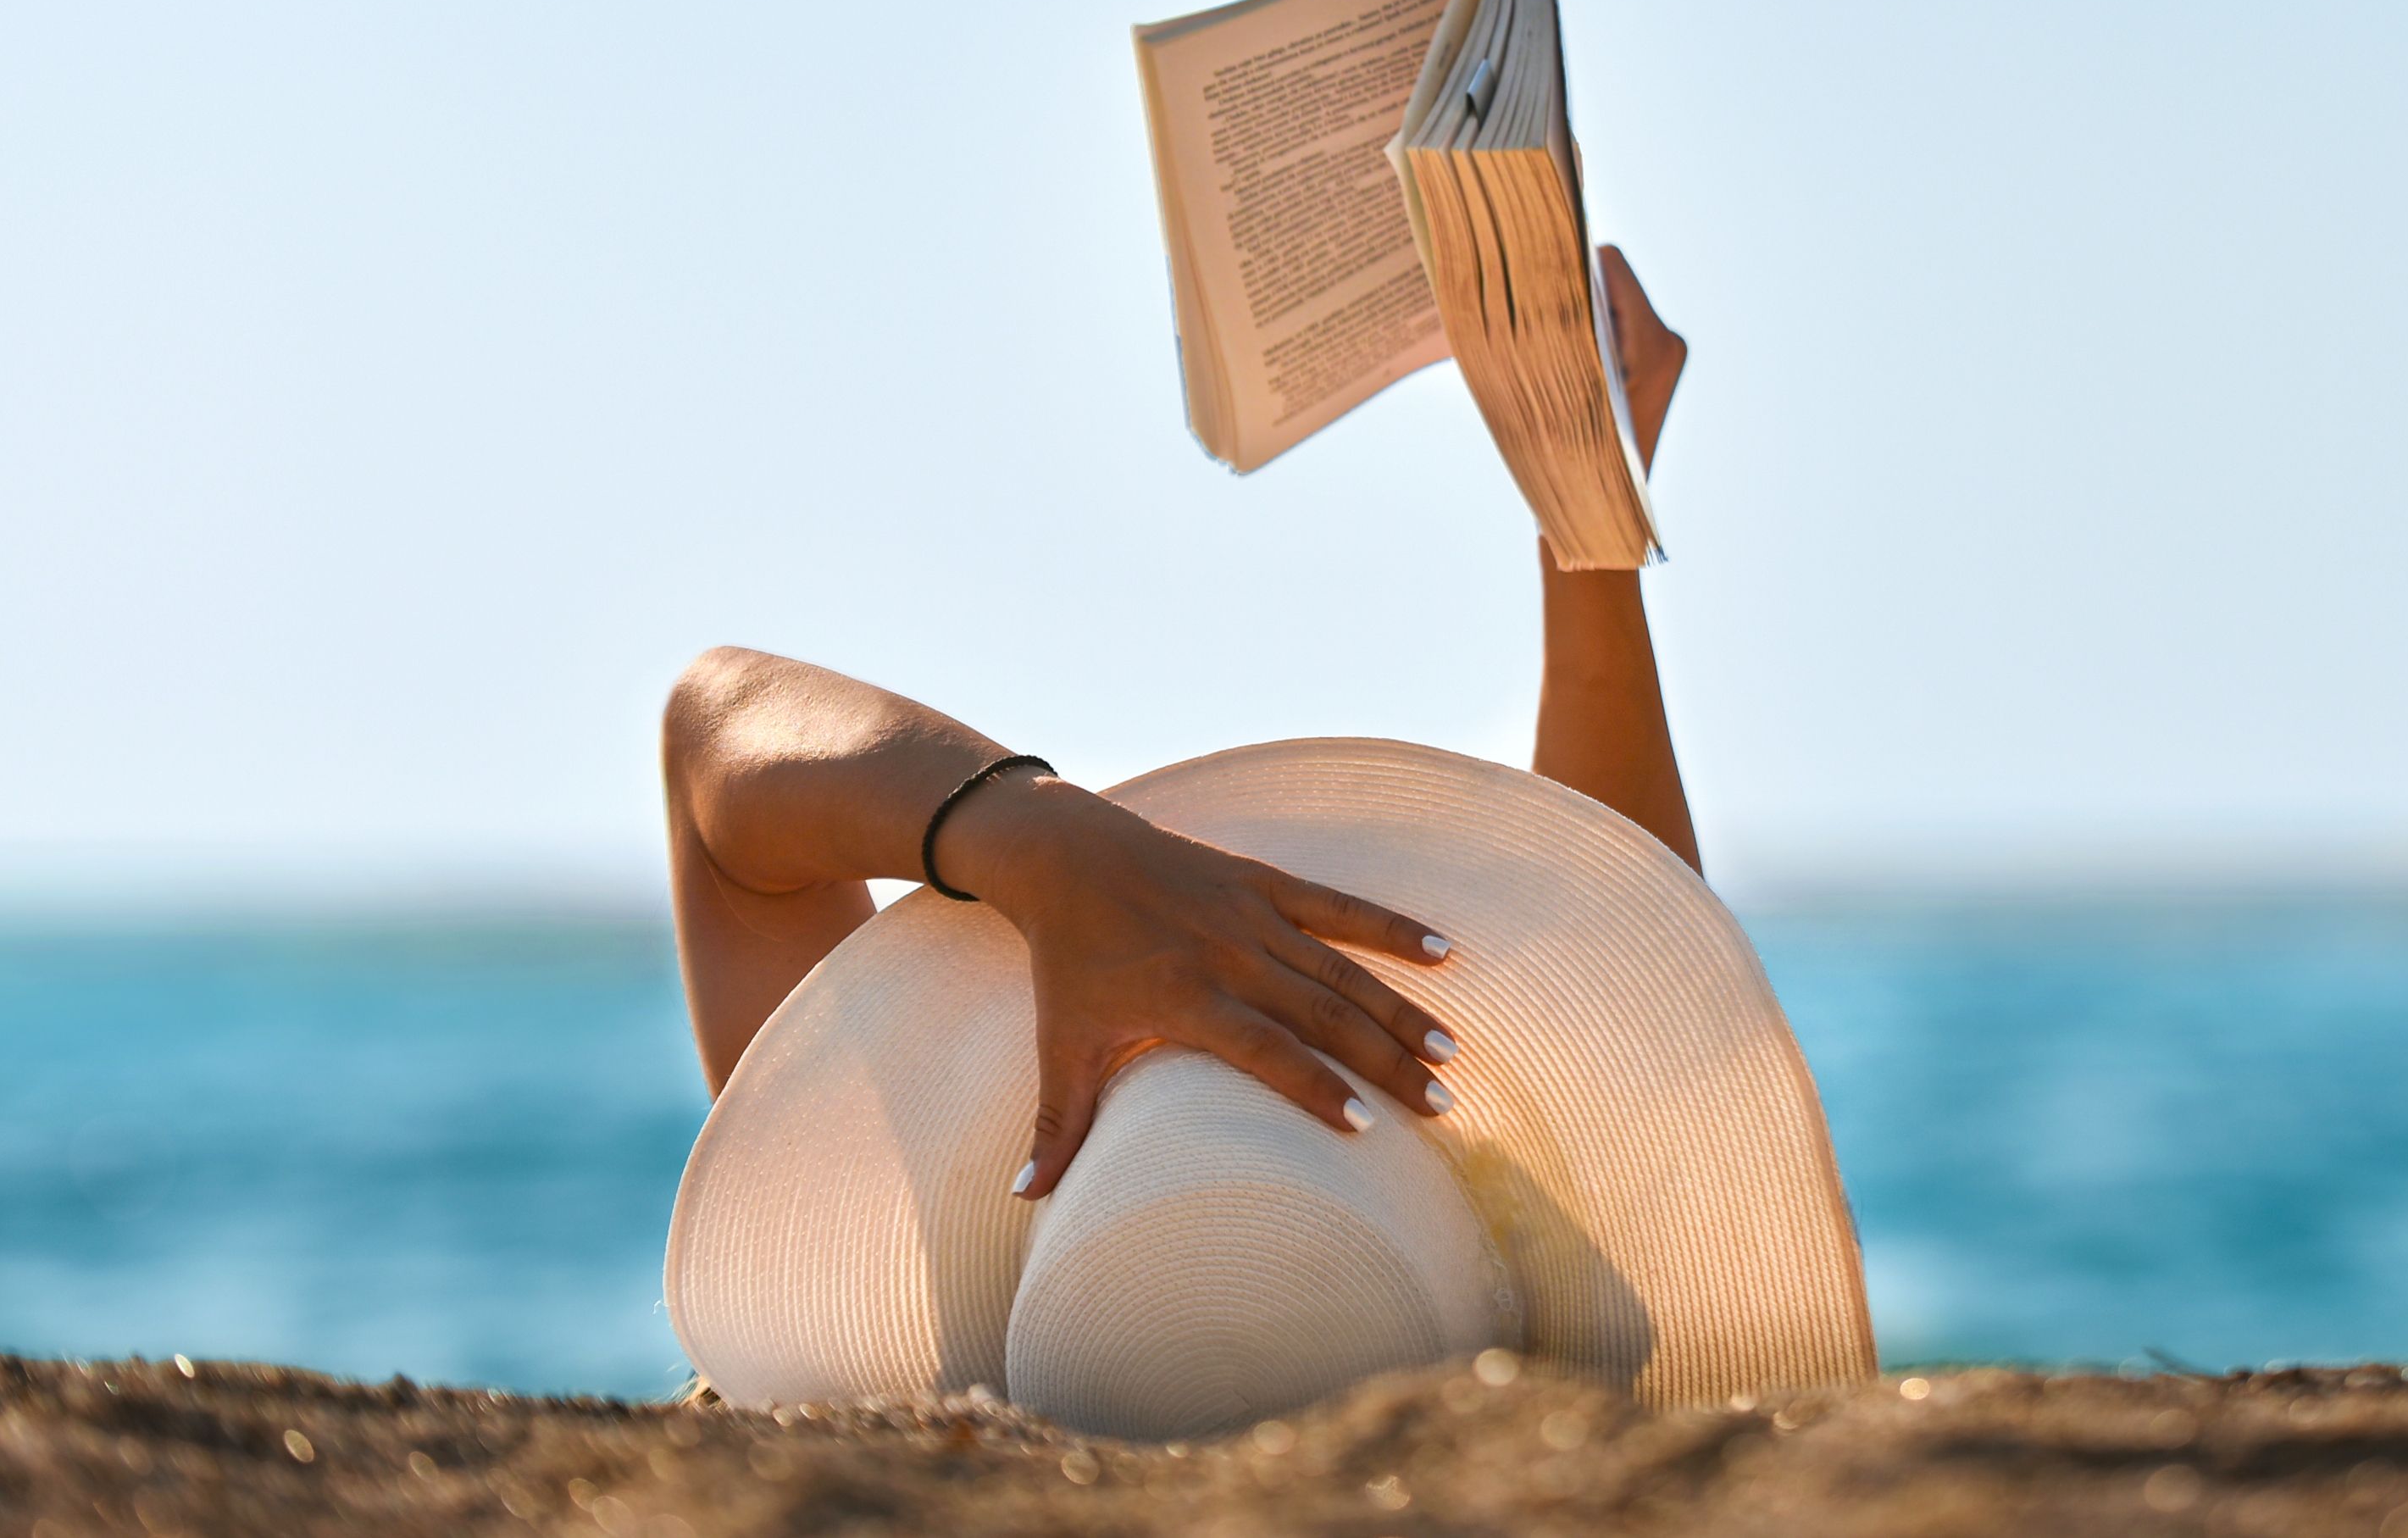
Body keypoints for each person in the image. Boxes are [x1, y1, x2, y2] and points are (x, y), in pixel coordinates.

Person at [660, 248, 1696, 1197]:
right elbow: (1636, 933)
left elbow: (719, 723)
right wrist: (1587, 522)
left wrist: (1049, 849)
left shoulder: (890, 1328)